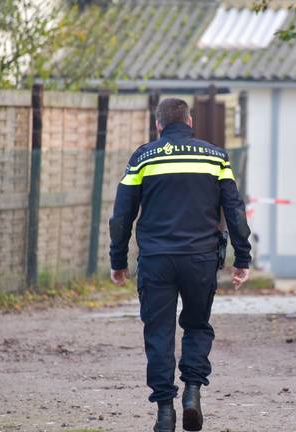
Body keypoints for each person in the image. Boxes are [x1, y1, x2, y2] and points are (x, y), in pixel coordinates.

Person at [109, 98, 252, 432]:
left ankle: (163, 412)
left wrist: (118, 260)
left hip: (157, 260)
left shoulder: (143, 157)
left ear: (158, 125)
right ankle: (191, 392)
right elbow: (235, 211)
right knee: (197, 326)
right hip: (201, 259)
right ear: (190, 122)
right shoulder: (217, 157)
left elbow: (121, 217)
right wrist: (242, 258)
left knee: (158, 332)